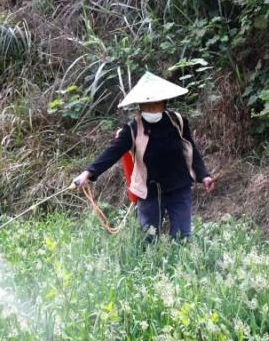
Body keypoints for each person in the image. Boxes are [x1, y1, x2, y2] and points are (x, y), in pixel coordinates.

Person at [73, 72, 216, 240]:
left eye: (155, 103)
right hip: (149, 192)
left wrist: (203, 175)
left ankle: (179, 265)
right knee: (148, 240)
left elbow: (191, 149)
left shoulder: (177, 121)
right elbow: (112, 152)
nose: (152, 108)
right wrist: (88, 173)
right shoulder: (132, 129)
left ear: (164, 102)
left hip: (179, 187)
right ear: (140, 106)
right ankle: (151, 265)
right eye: (147, 105)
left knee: (182, 236)